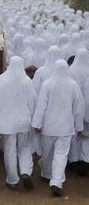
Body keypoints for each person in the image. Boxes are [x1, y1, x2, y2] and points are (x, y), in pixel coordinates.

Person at [31, 60, 85, 197]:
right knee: (61, 156)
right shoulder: (73, 85)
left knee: (47, 153)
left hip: (48, 127)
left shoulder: (47, 84)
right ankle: (56, 182)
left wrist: (37, 124)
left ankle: (47, 174)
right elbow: (78, 108)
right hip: (66, 128)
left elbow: (41, 105)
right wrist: (79, 126)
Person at [0, 56, 36, 191]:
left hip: (6, 122)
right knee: (24, 147)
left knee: (10, 150)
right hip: (23, 121)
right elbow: (33, 101)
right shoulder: (27, 80)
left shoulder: (1, 79)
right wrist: (32, 118)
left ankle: (12, 180)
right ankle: (25, 171)